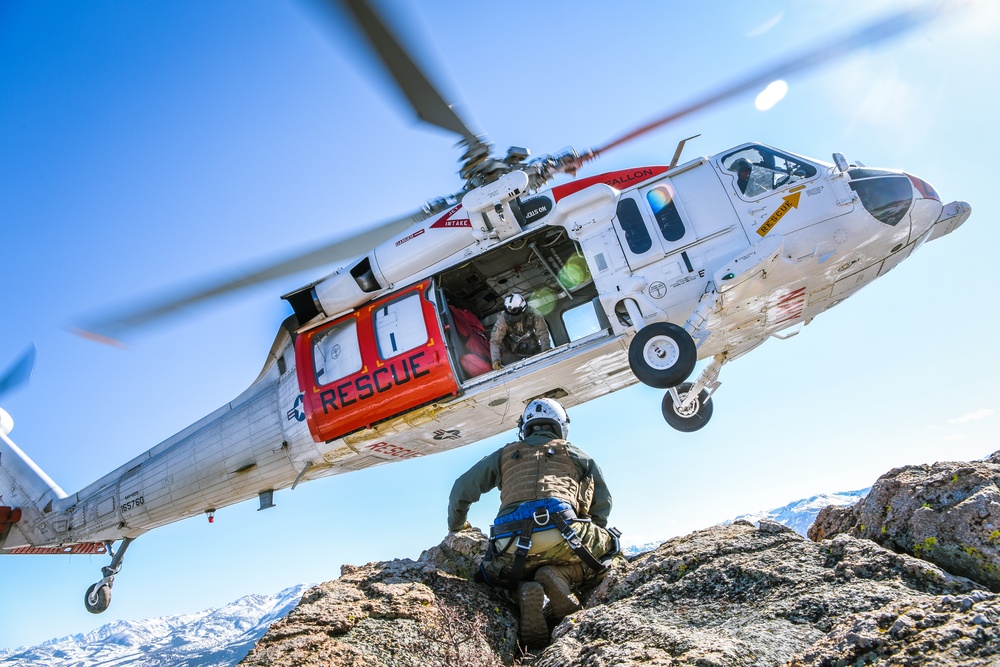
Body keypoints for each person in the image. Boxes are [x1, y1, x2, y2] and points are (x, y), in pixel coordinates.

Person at [447, 398, 621, 647]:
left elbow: (460, 489)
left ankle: (522, 591)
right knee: (610, 546)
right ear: (561, 426)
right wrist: (590, 534)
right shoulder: (575, 453)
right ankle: (561, 574)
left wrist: (457, 527)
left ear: (525, 427)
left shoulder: (504, 454)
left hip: (512, 543)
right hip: (566, 534)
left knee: (496, 576)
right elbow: (602, 504)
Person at [489, 294, 552, 370]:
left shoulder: (534, 314)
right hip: (513, 354)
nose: (512, 316)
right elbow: (495, 341)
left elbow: (542, 332)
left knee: (546, 364)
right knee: (506, 369)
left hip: (534, 350)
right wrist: (495, 360)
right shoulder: (502, 320)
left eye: (515, 311)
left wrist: (546, 348)